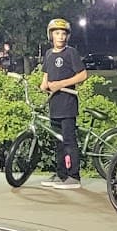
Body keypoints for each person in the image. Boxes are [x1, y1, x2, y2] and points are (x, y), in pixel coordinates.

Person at [39, 17, 88, 188]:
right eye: (57, 33)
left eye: (63, 34)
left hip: (68, 104)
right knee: (58, 142)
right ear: (50, 35)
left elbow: (82, 75)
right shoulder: (49, 54)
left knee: (69, 140)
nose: (60, 37)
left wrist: (61, 84)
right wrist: (44, 85)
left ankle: (74, 176)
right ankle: (61, 174)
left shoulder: (71, 53)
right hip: (54, 104)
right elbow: (46, 76)